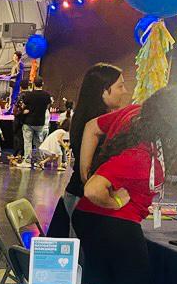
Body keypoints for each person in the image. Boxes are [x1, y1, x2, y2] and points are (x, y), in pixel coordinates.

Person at [72, 85, 177, 284]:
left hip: (103, 222)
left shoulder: (148, 142)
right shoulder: (140, 154)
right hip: (112, 224)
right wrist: (115, 201)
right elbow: (93, 189)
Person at [47, 64, 126, 236]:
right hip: (84, 200)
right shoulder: (94, 124)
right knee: (82, 256)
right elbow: (86, 174)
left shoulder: (87, 117)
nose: (124, 91)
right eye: (120, 86)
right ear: (104, 91)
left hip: (82, 196)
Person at [19, 77, 52, 168]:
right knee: (39, 143)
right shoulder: (46, 95)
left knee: (28, 142)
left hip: (28, 122)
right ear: (42, 84)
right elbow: (48, 106)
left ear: (33, 84)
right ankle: (40, 162)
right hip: (40, 122)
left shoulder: (29, 95)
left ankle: (27, 161)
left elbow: (23, 106)